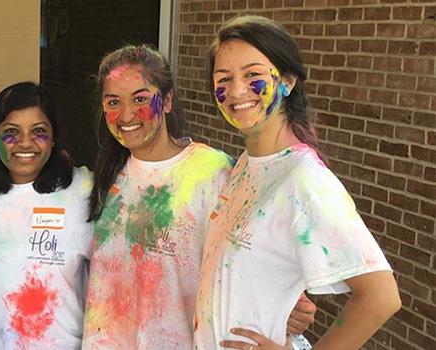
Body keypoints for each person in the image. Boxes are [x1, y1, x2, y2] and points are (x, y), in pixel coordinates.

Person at [82, 45, 316, 349]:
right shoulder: (102, 180)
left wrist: (284, 306)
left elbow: (256, 256)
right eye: (114, 101)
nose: (126, 114)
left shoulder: (213, 173)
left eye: (140, 98)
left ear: (166, 101)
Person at [194, 15, 400, 350]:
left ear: (288, 81)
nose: (236, 91)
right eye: (224, 78)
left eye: (253, 75)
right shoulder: (248, 164)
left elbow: (380, 297)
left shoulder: (304, 179)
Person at [0, 82, 93, 349]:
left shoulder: (83, 189)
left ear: (54, 138)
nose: (25, 142)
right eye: (11, 132)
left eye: (39, 131)